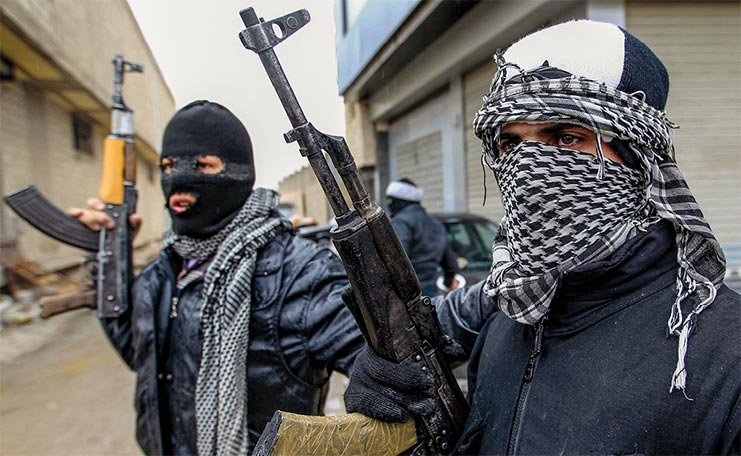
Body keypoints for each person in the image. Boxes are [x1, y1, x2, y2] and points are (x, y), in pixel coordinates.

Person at [344, 20, 740, 454]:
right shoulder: (504, 314)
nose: (530, 168)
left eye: (566, 137)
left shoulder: (722, 352)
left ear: (638, 157)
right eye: (511, 143)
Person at [69, 100, 364, 455]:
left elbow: (374, 355)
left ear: (240, 172)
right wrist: (108, 256)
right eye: (167, 166)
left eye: (202, 165)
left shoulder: (301, 271)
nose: (178, 177)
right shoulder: (162, 272)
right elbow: (141, 355)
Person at [386, 178, 460, 295]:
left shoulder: (400, 223)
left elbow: (396, 260)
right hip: (431, 292)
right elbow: (450, 263)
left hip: (407, 295)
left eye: (391, 200)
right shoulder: (436, 224)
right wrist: (448, 281)